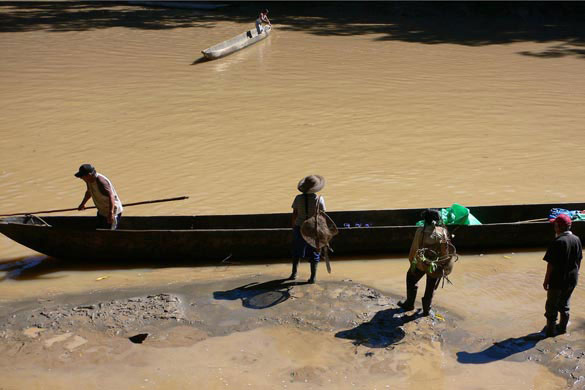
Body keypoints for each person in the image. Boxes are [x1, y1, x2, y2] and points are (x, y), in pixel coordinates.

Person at [398, 209, 453, 316]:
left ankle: (410, 303)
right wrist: (443, 267)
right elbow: (446, 253)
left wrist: (411, 262)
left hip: (421, 264)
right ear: (437, 220)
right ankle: (426, 310)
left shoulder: (420, 231)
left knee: (411, 278)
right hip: (435, 265)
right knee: (430, 288)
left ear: (425, 220)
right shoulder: (442, 232)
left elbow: (414, 249)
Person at [542, 214, 582, 337]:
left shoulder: (558, 241)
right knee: (565, 304)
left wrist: (546, 281)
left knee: (551, 307)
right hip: (572, 279)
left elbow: (551, 265)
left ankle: (550, 331)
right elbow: (579, 260)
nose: (554, 227)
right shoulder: (577, 239)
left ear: (559, 227)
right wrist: (576, 274)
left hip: (558, 280)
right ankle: (562, 328)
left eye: (555, 225)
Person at [289, 175, 326, 284]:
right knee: (314, 251)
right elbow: (322, 217)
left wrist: (293, 226)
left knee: (297, 250)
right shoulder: (319, 199)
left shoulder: (297, 198)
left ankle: (293, 274)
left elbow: (294, 214)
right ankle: (312, 278)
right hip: (312, 229)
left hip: (299, 227)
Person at [75, 164, 123, 230]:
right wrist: (82, 204)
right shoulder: (88, 180)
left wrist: (111, 213)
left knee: (110, 233)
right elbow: (89, 192)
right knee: (99, 230)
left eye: (82, 177)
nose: (81, 178)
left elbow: (111, 196)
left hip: (112, 211)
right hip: (102, 210)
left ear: (89, 175)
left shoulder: (100, 181)